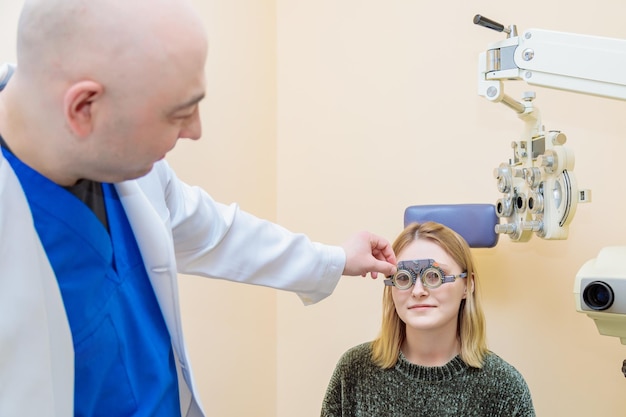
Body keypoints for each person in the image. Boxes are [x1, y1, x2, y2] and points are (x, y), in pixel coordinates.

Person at [0, 1, 397, 416]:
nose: (195, 131)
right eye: (179, 113)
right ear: (84, 108)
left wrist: (335, 259)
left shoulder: (127, 169)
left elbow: (219, 234)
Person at [321, 221, 536, 416]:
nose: (418, 290)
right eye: (403, 277)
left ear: (467, 285)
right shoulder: (354, 371)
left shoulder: (504, 387)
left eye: (434, 276)